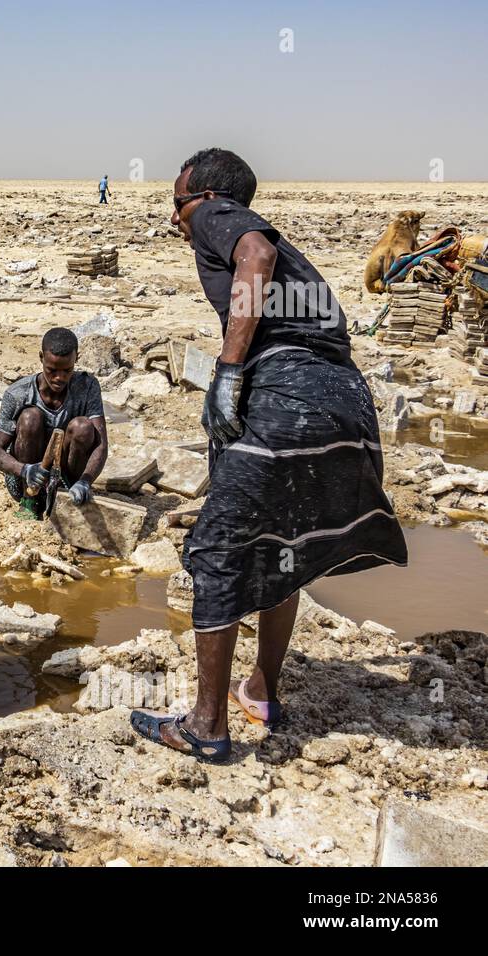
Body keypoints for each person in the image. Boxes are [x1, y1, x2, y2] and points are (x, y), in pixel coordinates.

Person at [129, 148, 408, 763]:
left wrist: (228, 371)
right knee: (285, 540)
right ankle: (260, 691)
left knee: (217, 549)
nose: (176, 220)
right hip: (347, 398)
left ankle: (205, 726)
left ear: (201, 196)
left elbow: (256, 254)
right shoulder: (293, 265)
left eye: (177, 204)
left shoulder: (215, 215)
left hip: (289, 393)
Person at [0, 327, 108, 518]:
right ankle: (30, 503)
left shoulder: (87, 386)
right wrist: (25, 470)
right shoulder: (18, 393)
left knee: (83, 427)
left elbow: (101, 445)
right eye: (52, 370)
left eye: (67, 370)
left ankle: (69, 493)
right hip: (26, 481)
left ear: (76, 359)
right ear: (41, 357)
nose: (59, 378)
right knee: (30, 418)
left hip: (66, 478)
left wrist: (85, 480)